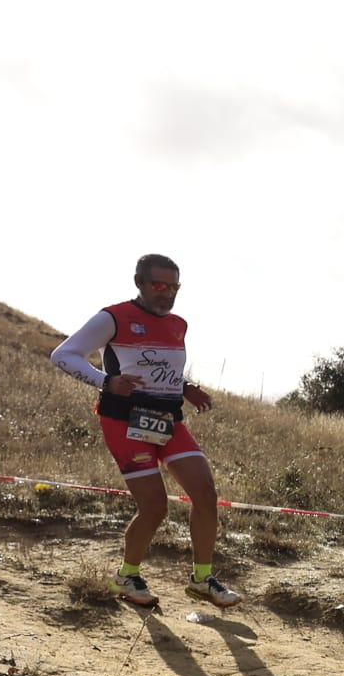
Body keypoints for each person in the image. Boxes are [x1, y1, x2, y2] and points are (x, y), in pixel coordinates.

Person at [49, 254, 241, 609]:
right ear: (139, 282)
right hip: (123, 421)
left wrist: (185, 387)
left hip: (167, 420)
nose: (165, 293)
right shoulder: (114, 317)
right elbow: (63, 355)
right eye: (158, 285)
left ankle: (202, 580)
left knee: (206, 494)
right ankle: (127, 576)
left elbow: (154, 368)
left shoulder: (178, 324)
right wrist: (105, 381)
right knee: (154, 507)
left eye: (173, 287)